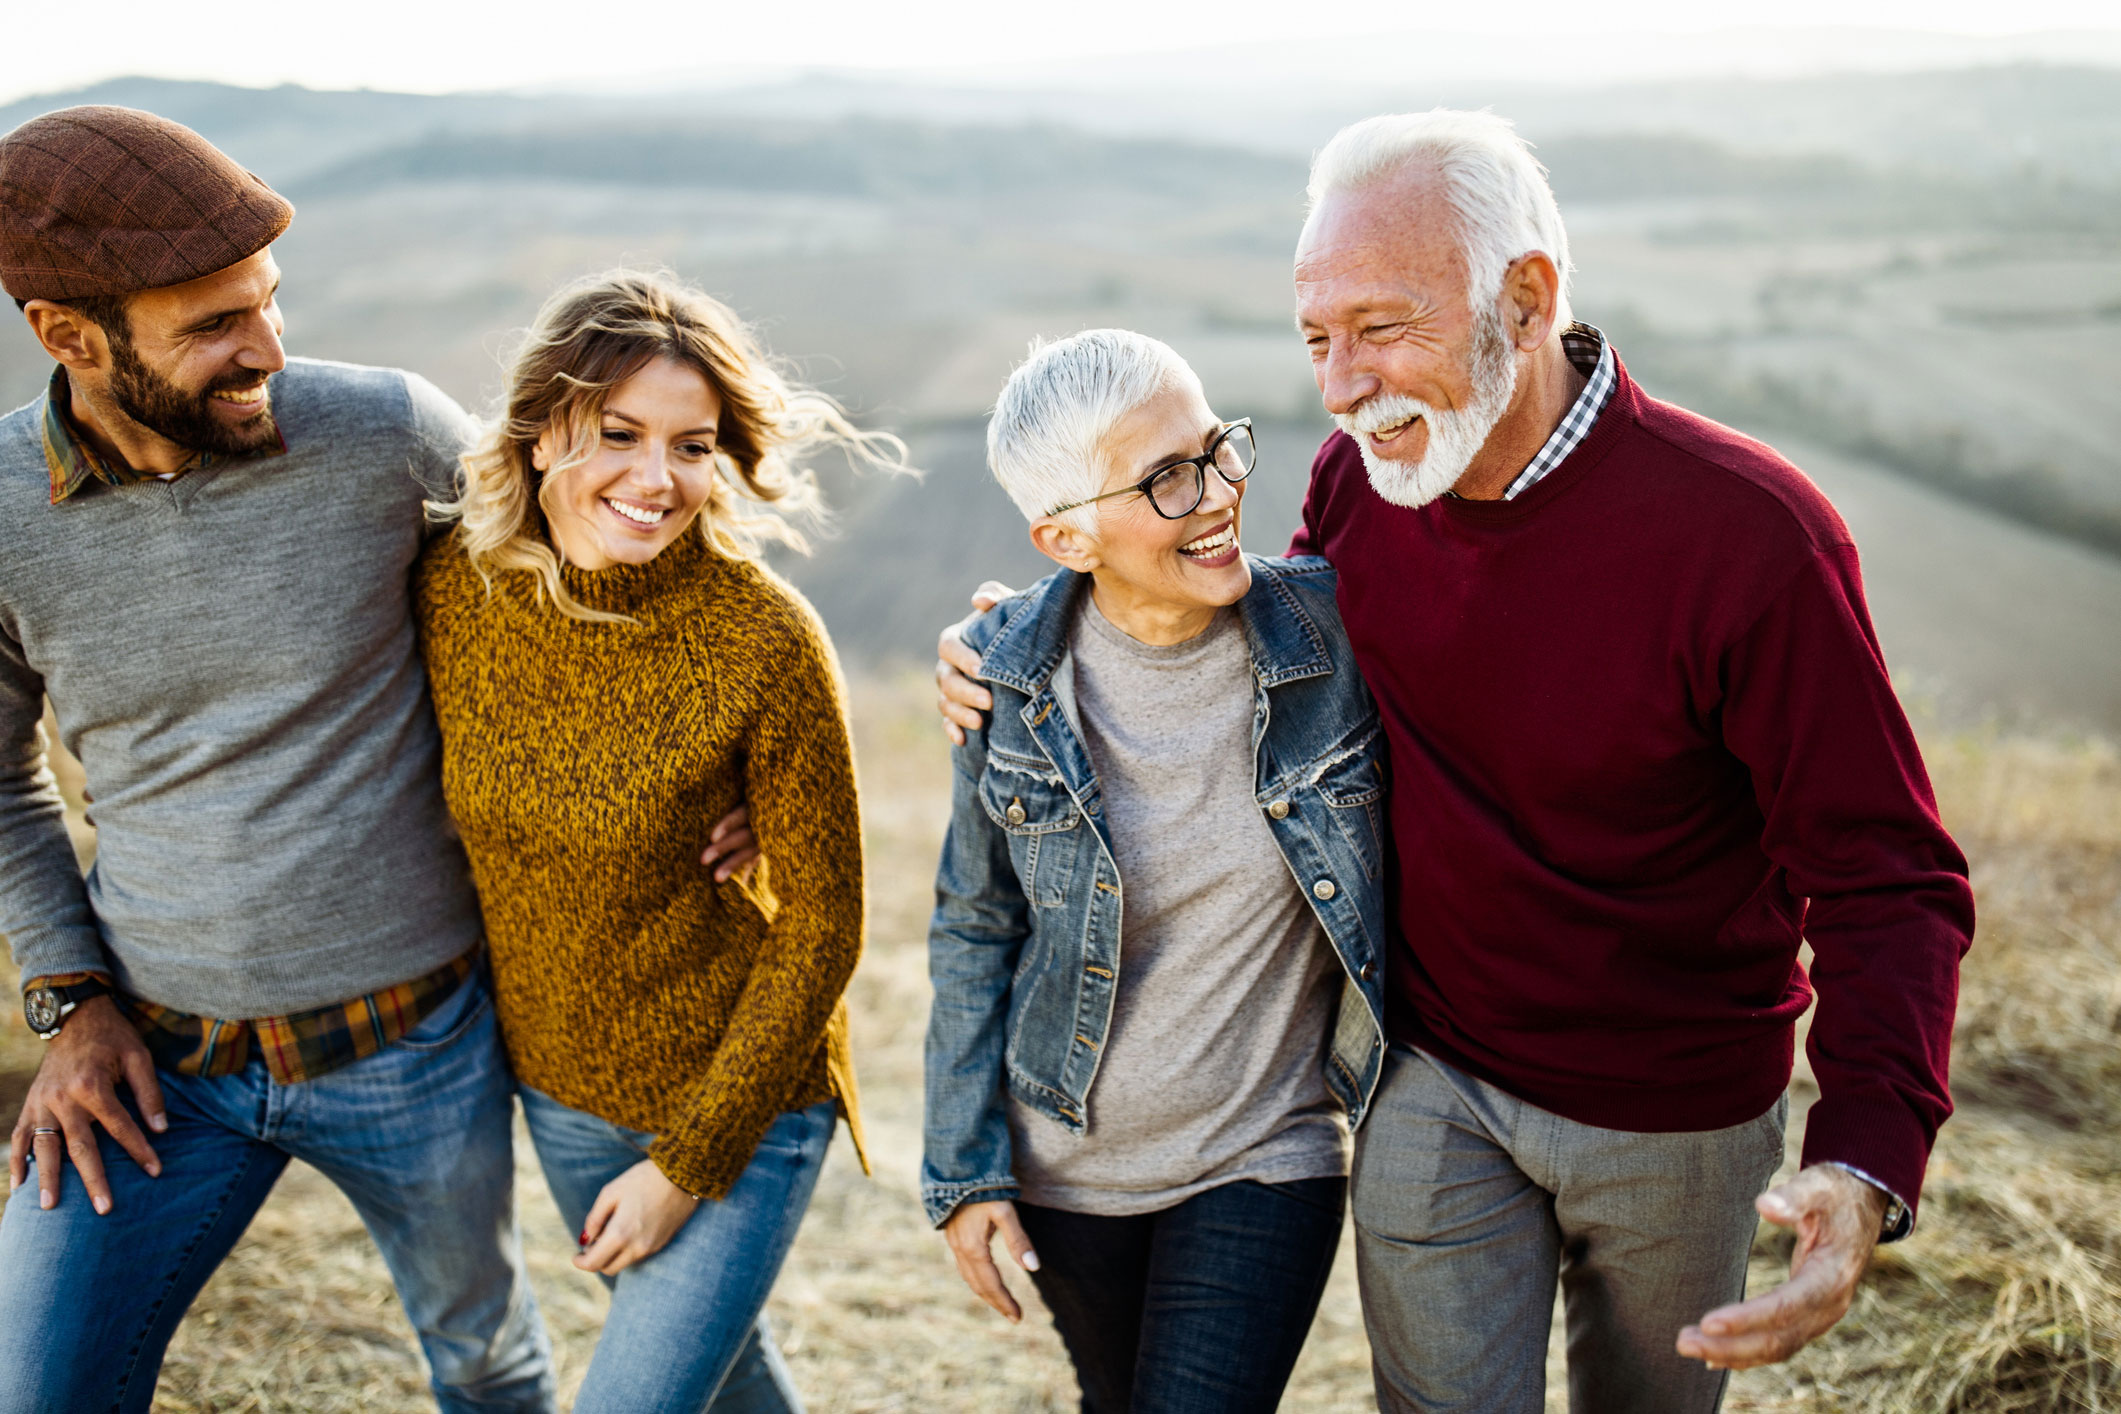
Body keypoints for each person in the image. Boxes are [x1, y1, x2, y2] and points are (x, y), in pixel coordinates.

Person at [934, 112, 1975, 1412]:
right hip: (1434, 1075)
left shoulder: (1752, 540)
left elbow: (1889, 877)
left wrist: (1866, 1157)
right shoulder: (1358, 483)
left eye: (1381, 326)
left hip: (1679, 1111)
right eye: (1318, 338)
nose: (1342, 381)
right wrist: (1013, 635)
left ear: (1525, 299)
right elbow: (1233, 629)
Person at [0, 105, 558, 1410]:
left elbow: (601, 591)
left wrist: (735, 773)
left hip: (415, 1043)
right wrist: (66, 1002)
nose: (267, 349)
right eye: (212, 325)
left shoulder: (380, 432)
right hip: (151, 1062)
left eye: (269, 302)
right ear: (68, 336)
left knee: (488, 1364)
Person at [416, 269, 895, 1414]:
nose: (655, 478)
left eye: (692, 444)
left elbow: (827, 926)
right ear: (539, 438)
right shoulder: (453, 591)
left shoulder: (765, 639)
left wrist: (688, 1163)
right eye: (618, 433)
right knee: (727, 1389)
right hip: (563, 1094)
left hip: (748, 1101)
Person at [922, 329, 1389, 1413]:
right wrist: (965, 1169)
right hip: (1067, 1168)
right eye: (1166, 479)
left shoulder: (1333, 635)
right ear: (1065, 536)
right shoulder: (1005, 679)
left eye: (1216, 449)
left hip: (1265, 1151)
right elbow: (973, 922)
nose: (1219, 491)